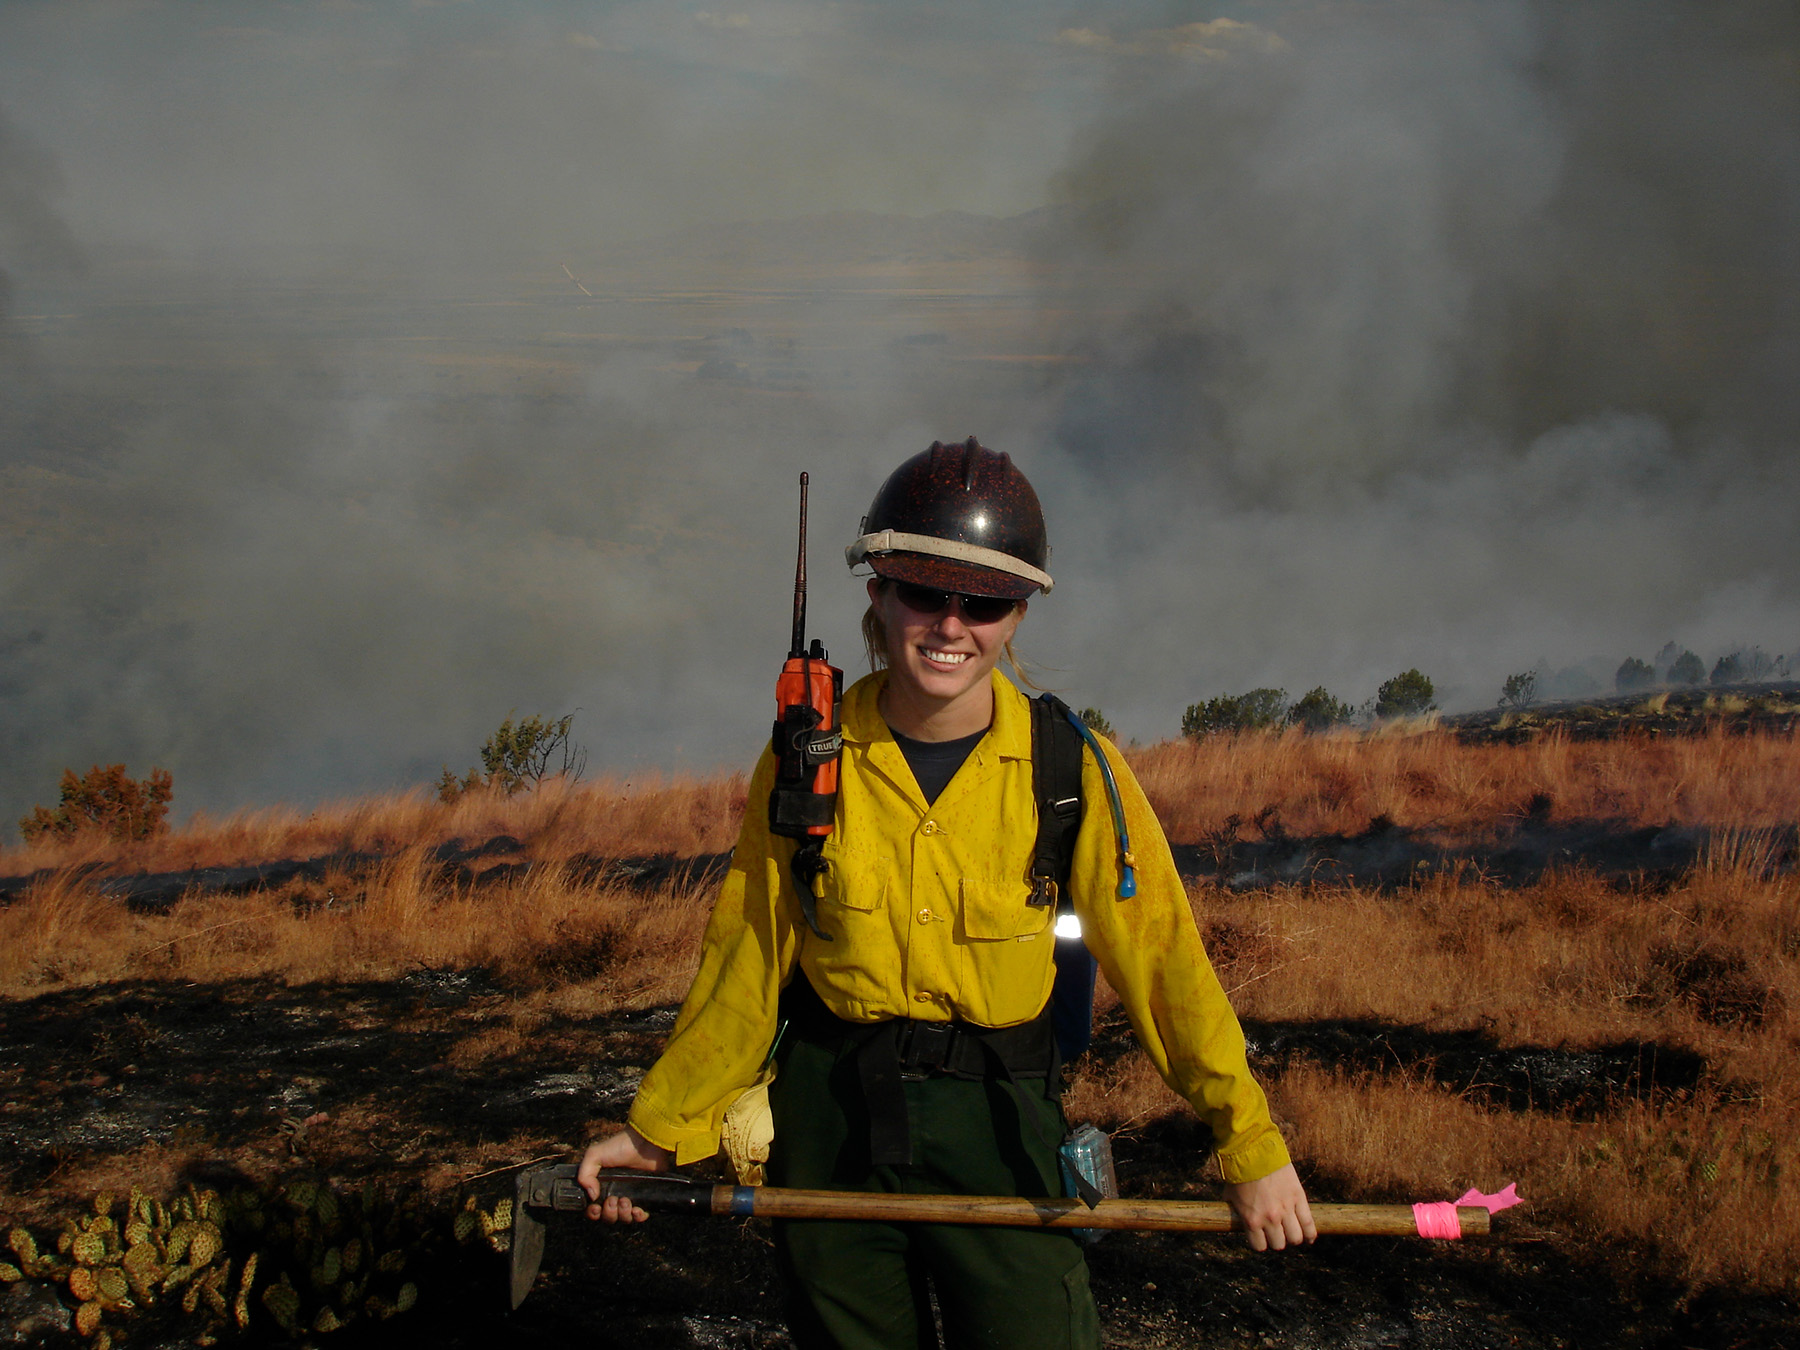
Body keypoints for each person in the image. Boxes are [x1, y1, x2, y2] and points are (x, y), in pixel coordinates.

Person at [579, 437, 1314, 1349]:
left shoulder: (1072, 771)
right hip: (832, 1131)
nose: (951, 625)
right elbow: (747, 959)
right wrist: (657, 1132)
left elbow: (1167, 968)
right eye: (926, 592)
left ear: (1017, 616)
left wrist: (1250, 1147)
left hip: (1000, 1134)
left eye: (985, 602)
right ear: (878, 595)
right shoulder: (808, 760)